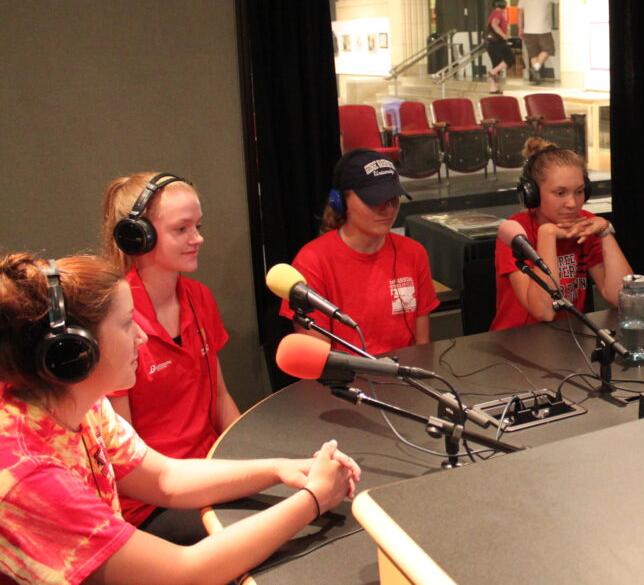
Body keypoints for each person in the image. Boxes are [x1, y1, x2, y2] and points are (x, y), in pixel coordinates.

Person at [0, 253, 360, 583]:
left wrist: (281, 469)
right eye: (127, 324)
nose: (141, 336)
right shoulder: (27, 474)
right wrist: (314, 500)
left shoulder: (80, 402)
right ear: (75, 353)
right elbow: (184, 572)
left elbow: (165, 479)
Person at [100, 172, 240, 534]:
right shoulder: (113, 319)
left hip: (209, 470)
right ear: (138, 237)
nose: (198, 238)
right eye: (182, 229)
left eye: (198, 226)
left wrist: (247, 460)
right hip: (154, 499)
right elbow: (126, 457)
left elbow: (221, 398)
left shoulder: (200, 297)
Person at [282, 149, 438, 356]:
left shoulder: (413, 253)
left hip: (405, 380)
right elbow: (319, 360)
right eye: (374, 200)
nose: (388, 209)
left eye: (393, 198)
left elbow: (422, 349)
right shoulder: (312, 262)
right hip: (347, 383)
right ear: (340, 201)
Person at [492, 138, 633, 330]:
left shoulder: (585, 223)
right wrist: (547, 235)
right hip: (517, 341)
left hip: (569, 338)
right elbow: (544, 312)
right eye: (560, 193)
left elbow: (622, 298)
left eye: (579, 191)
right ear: (532, 194)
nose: (573, 203)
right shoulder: (516, 233)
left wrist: (605, 231)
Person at [517, 0, 558, 85]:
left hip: (528, 30)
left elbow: (520, 12)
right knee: (548, 49)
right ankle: (536, 69)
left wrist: (520, 28)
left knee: (533, 54)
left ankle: (536, 76)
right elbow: (560, 2)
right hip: (543, 29)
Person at [485, 0, 515, 95]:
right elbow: (494, 24)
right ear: (503, 5)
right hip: (498, 42)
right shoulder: (498, 13)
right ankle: (493, 72)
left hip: (491, 44)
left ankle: (493, 88)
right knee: (510, 59)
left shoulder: (492, 13)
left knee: (496, 63)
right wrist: (503, 35)